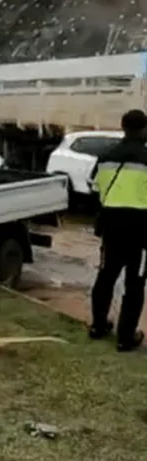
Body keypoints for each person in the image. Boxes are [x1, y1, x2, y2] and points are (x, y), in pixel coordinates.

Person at [89, 109, 147, 352]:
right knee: (135, 285)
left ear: (123, 128)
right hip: (141, 231)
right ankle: (125, 338)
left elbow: (94, 190)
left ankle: (99, 326)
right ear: (144, 129)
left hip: (111, 227)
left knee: (106, 277)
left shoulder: (105, 157)